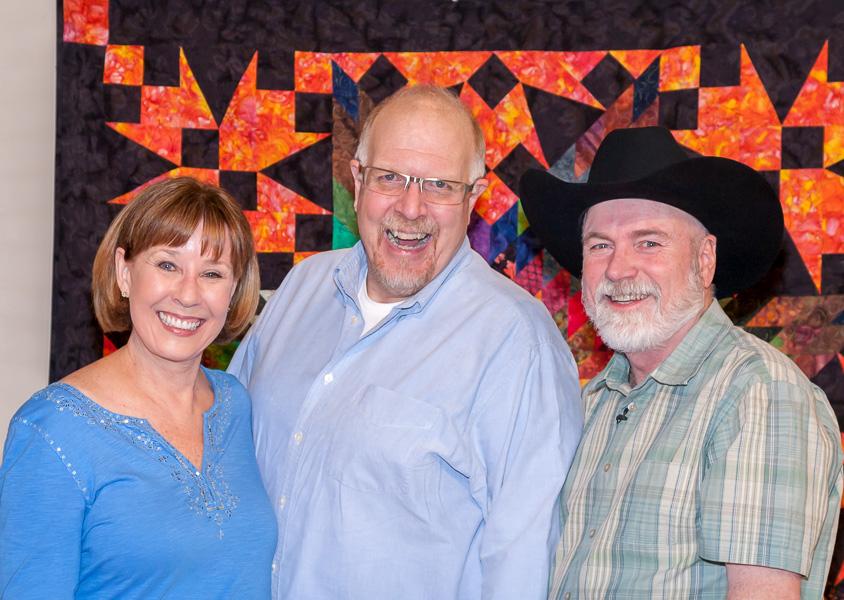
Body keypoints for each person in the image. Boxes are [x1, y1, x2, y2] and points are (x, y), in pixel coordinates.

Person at [228, 84, 583, 599]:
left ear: (473, 198)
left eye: (440, 185)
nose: (411, 208)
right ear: (357, 180)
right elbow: (222, 454)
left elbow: (522, 564)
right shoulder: (301, 289)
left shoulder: (518, 344)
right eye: (390, 177)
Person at [520, 126, 843, 599]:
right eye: (600, 245)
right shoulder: (593, 403)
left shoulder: (759, 394)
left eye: (648, 242)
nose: (618, 269)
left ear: (705, 259)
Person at [0, 177, 277, 598]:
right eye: (167, 265)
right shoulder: (52, 430)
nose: (188, 295)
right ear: (124, 272)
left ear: (234, 291)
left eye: (212, 273)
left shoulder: (235, 403)